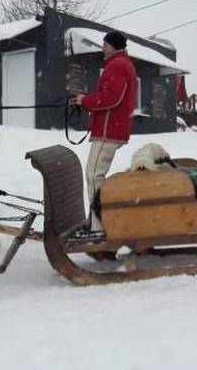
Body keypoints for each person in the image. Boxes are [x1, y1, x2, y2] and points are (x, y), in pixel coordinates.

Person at [70, 31, 137, 239]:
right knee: (95, 175)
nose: (102, 48)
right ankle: (96, 219)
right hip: (112, 128)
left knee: (94, 175)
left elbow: (111, 98)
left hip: (109, 131)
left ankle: (99, 225)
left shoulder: (117, 65)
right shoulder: (122, 64)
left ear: (114, 46)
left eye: (105, 45)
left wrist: (86, 101)